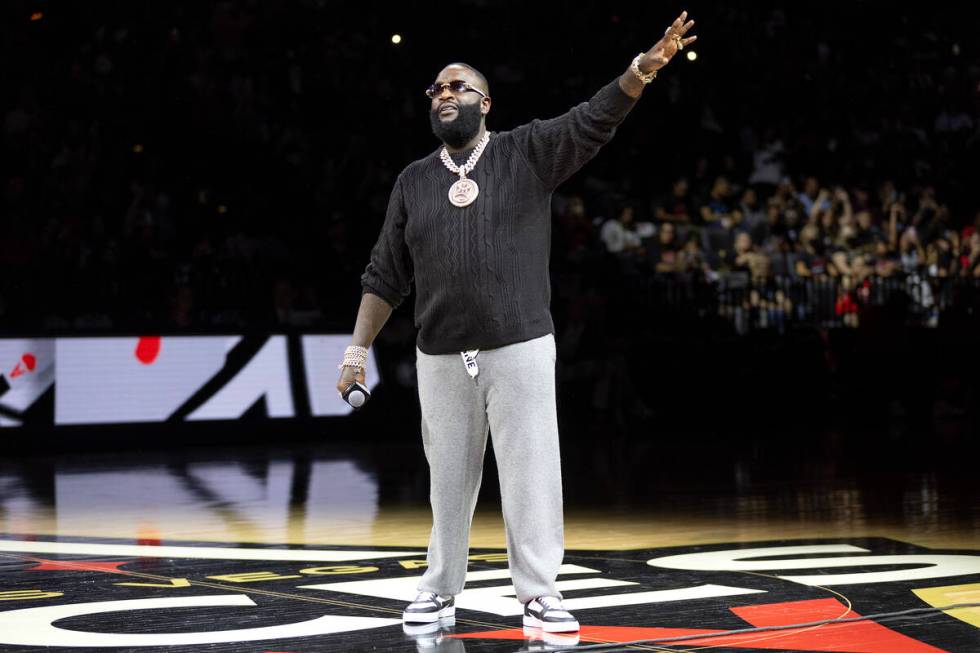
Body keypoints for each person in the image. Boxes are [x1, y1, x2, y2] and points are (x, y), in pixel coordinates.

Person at [335, 11, 697, 634]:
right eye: (436, 91)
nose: (444, 95)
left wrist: (640, 70)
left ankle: (539, 594)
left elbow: (593, 118)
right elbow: (384, 275)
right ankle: (439, 589)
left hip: (519, 344)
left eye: (457, 88)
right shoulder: (414, 181)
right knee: (447, 481)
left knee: (530, 471)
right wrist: (355, 353)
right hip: (441, 354)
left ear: (485, 103)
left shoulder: (525, 151)